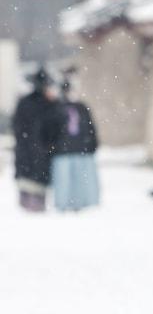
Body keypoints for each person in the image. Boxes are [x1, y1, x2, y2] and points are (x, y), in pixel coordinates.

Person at [13, 67, 61, 212]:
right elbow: (55, 127)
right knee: (38, 178)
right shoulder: (50, 104)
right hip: (41, 148)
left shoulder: (25, 102)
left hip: (27, 147)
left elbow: (17, 125)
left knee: (28, 177)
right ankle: (35, 206)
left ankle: (28, 205)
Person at [50, 76, 101, 212]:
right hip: (63, 151)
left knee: (80, 180)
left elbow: (90, 128)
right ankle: (63, 204)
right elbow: (51, 130)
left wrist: (92, 144)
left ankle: (80, 203)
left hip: (80, 150)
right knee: (64, 181)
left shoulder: (81, 107)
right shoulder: (56, 108)